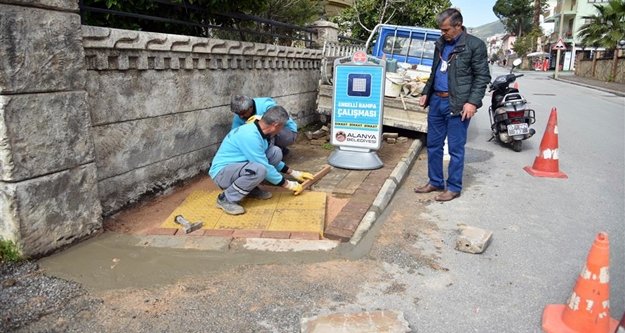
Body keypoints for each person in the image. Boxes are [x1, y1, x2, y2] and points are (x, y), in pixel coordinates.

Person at [414, 8, 490, 202]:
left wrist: (472, 102)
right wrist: (426, 93)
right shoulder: (441, 44)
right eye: (441, 30)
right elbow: (434, 71)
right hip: (437, 101)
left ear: (458, 26)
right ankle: (436, 181)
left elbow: (482, 77)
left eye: (446, 30)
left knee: (455, 148)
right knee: (433, 145)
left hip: (457, 103)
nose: (443, 33)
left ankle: (454, 187)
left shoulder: (475, 45)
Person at [209, 105, 314, 215]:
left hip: (239, 167)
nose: (282, 130)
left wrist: (294, 173)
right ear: (276, 125)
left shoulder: (261, 132)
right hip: (222, 174)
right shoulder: (250, 136)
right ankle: (225, 199)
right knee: (259, 169)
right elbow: (264, 165)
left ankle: (249, 188)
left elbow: (266, 159)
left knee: (275, 152)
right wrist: (288, 184)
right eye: (282, 127)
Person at [230, 95, 298, 155]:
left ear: (250, 107)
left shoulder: (266, 104)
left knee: (266, 129)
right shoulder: (239, 117)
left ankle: (273, 151)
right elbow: (234, 134)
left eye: (243, 113)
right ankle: (272, 152)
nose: (241, 117)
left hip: (286, 132)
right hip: (268, 134)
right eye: (238, 114)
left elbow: (279, 121)